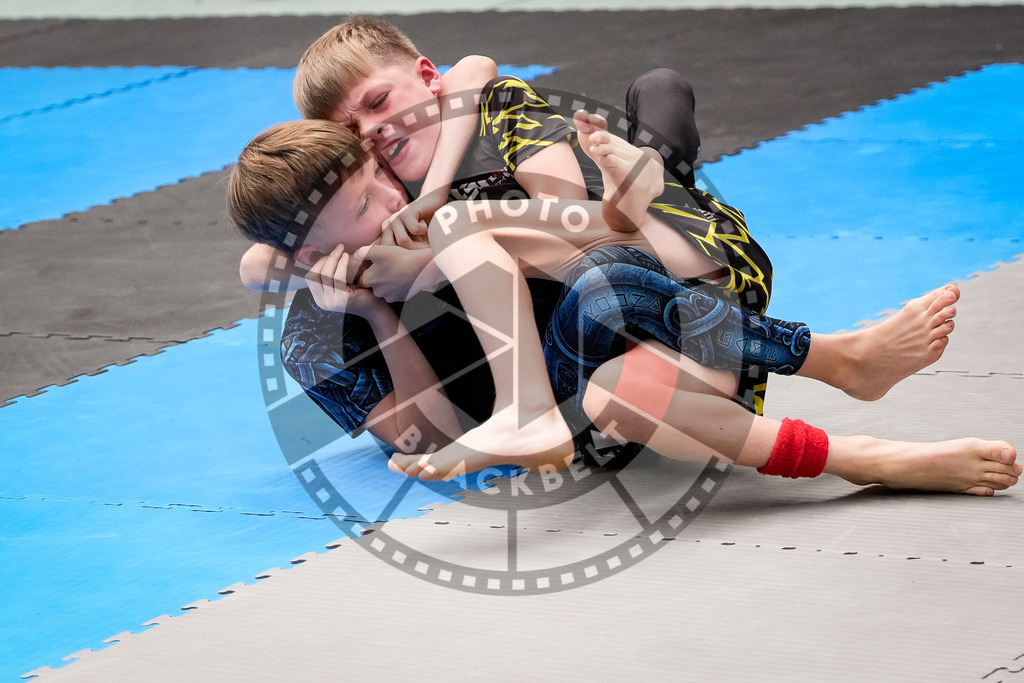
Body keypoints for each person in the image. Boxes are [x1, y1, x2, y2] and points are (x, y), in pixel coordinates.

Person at [227, 118, 1020, 496]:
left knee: (608, 296)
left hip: (615, 354)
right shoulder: (309, 337)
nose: (391, 203)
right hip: (555, 432)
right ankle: (861, 431)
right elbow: (423, 434)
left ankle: (851, 387)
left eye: (383, 183)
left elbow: (591, 249)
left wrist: (434, 253)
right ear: (311, 255)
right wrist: (375, 312)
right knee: (612, 374)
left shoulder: (432, 209)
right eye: (365, 208)